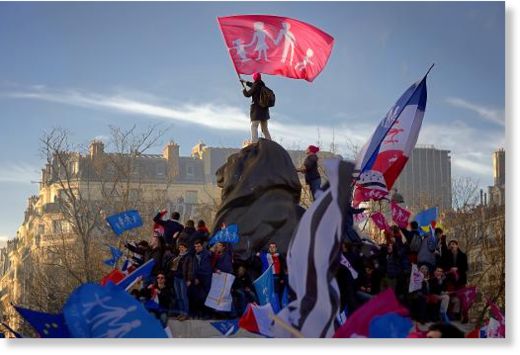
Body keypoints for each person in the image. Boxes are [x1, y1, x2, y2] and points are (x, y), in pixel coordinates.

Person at [241, 72, 272, 143]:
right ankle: (270, 143)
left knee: (254, 126)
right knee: (265, 129)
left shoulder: (255, 86)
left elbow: (248, 94)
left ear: (254, 78)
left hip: (256, 111)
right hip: (264, 112)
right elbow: (253, 85)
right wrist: (246, 82)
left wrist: (243, 90)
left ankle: (254, 143)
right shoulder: (263, 86)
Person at [169, 242, 194, 321]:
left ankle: (185, 314)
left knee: (184, 297)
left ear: (186, 248)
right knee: (179, 296)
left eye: (182, 247)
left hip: (183, 279)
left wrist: (189, 279)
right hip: (176, 278)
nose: (181, 248)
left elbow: (190, 269)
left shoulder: (188, 257)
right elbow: (172, 266)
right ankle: (181, 312)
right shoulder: (178, 256)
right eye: (180, 247)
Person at [191, 240, 213, 319]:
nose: (196, 248)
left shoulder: (208, 254)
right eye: (195, 247)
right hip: (198, 278)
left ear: (202, 246)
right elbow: (194, 268)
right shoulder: (195, 255)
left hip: (206, 277)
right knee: (199, 296)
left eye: (198, 246)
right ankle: (200, 313)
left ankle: (208, 313)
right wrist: (195, 277)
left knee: (207, 296)